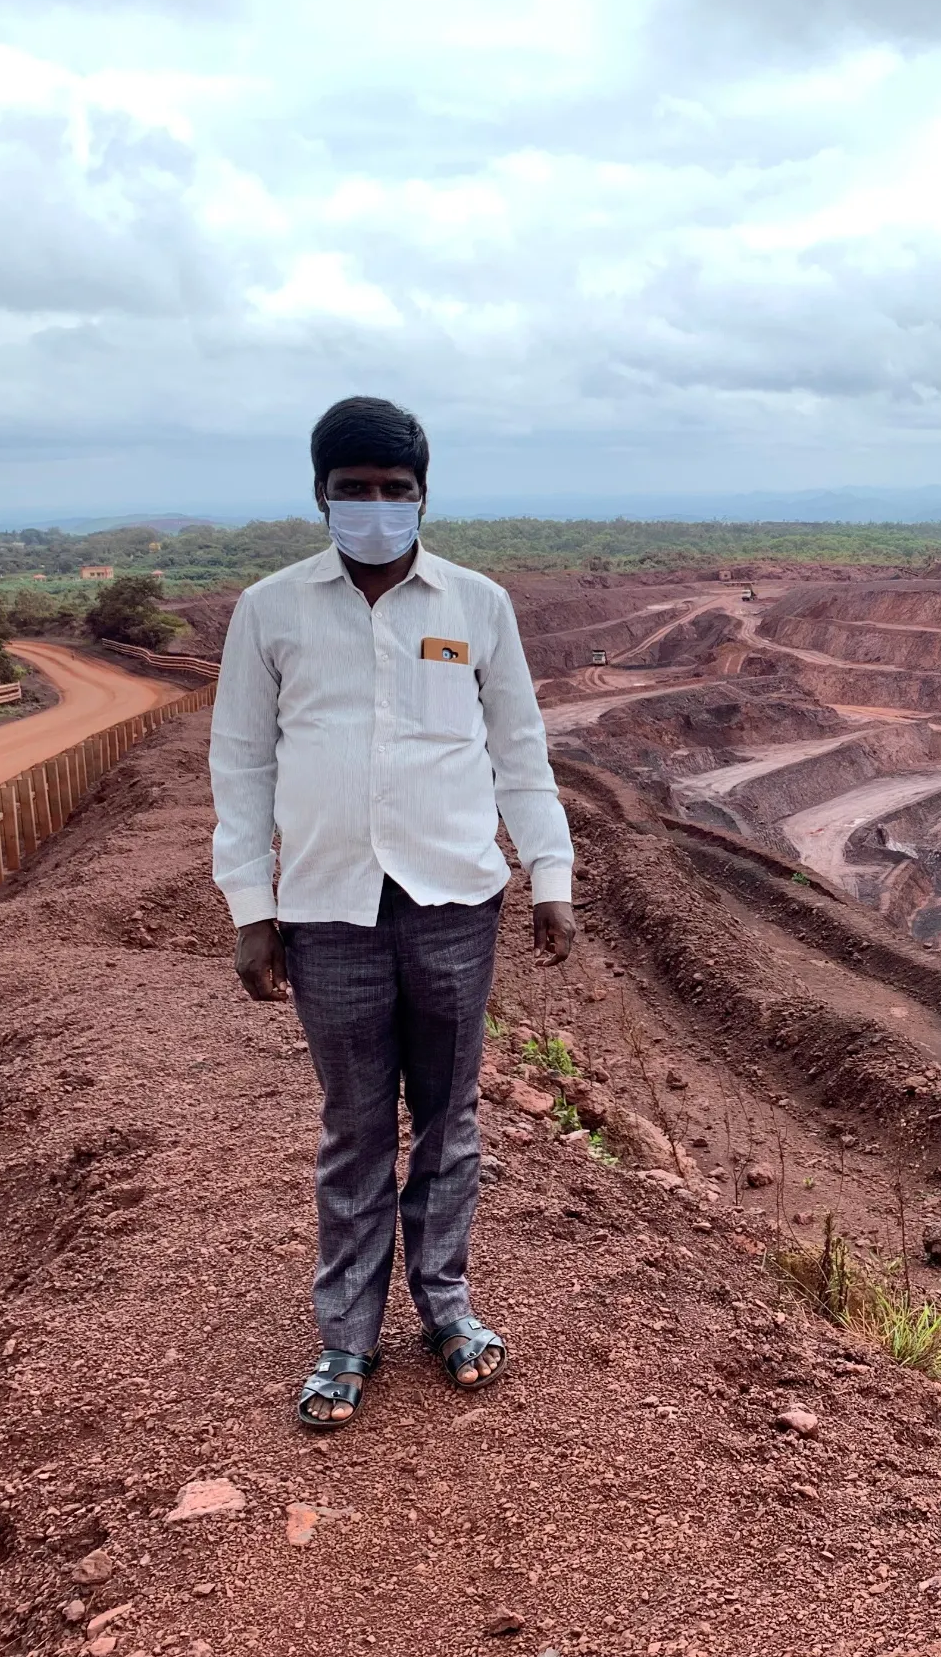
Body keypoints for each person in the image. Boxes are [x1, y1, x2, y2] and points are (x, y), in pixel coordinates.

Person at [209, 396, 576, 1432]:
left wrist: (551, 877)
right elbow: (239, 765)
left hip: (455, 901)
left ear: (424, 496)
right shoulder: (270, 612)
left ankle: (446, 1308)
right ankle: (346, 1336)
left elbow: (519, 752)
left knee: (450, 1124)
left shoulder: (476, 605)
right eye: (354, 490)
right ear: (319, 494)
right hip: (326, 911)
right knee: (356, 1127)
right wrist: (250, 905)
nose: (374, 507)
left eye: (394, 490)